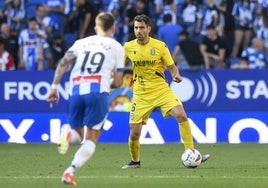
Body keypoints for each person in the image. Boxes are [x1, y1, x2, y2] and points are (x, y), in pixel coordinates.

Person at [121, 14, 210, 169]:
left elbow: (171, 66)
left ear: (148, 28)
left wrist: (176, 74)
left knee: (181, 115)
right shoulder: (128, 47)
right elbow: (117, 67)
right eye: (136, 28)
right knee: (134, 133)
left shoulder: (160, 46)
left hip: (161, 90)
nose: (138, 31)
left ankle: (192, 152)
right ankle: (135, 162)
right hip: (141, 94)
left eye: (141, 27)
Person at [46, 12, 125, 185]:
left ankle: (67, 133)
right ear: (113, 28)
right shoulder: (117, 46)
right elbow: (119, 82)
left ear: (96, 28)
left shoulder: (80, 43)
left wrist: (54, 87)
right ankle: (70, 170)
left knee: (76, 134)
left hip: (75, 91)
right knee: (91, 138)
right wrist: (108, 82)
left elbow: (64, 63)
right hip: (97, 92)